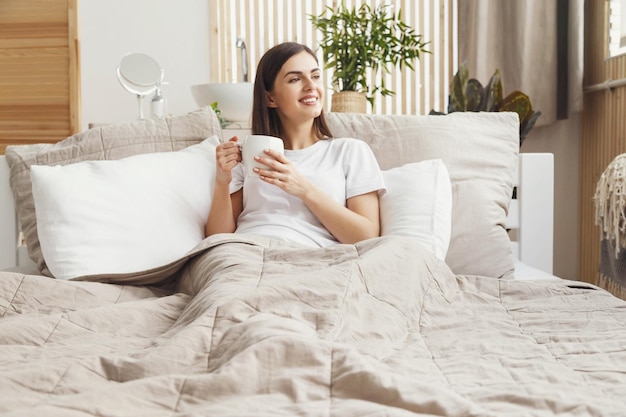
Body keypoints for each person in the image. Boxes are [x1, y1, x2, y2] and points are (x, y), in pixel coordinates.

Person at [205, 41, 385, 247]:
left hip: (311, 260)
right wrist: (222, 181)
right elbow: (217, 238)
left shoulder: (349, 151)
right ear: (270, 98)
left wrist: (304, 188)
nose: (311, 86)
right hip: (247, 251)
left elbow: (367, 237)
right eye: (295, 79)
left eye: (316, 76)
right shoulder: (248, 154)